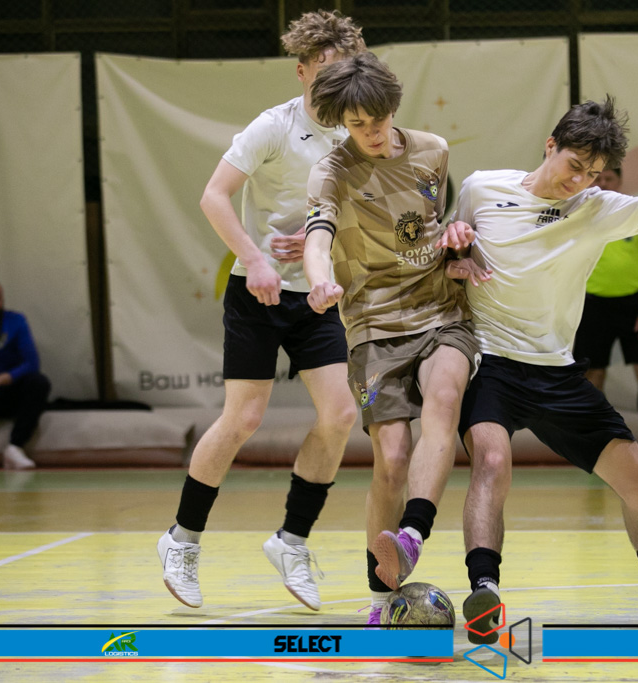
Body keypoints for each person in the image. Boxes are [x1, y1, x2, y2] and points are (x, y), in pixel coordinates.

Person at [447, 97, 638, 642]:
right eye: (574, 165)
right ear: (550, 146)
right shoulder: (481, 187)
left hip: (557, 372)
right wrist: (456, 256)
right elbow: (452, 244)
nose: (579, 180)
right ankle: (483, 591)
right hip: (489, 361)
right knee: (491, 462)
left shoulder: (595, 207)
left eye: (592, 173)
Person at [156, 10, 366, 612]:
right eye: (323, 71)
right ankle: (182, 538)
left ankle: (291, 541)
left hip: (318, 293)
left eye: (343, 71)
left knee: (340, 414)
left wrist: (325, 241)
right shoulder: (273, 127)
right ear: (302, 72)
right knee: (244, 417)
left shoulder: (357, 134)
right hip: (259, 291)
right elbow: (213, 196)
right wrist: (256, 258)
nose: (333, 82)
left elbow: (360, 215)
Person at [303, 52, 479, 625]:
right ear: (341, 122)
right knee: (392, 459)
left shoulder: (433, 150)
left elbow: (434, 222)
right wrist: (319, 279)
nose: (371, 133)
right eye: (357, 125)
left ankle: (412, 536)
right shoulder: (332, 171)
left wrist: (456, 245)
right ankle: (381, 598)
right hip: (374, 326)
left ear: (393, 109)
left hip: (441, 312)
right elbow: (317, 238)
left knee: (445, 400)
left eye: (377, 121)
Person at [573, 167, 638, 468]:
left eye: (609, 178)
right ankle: (594, 449)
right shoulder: (580, 215)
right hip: (592, 306)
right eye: (598, 179)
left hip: (634, 308)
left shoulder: (636, 215)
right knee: (593, 379)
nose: (603, 183)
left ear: (619, 181)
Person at [0, 279, 50, 470]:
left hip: (5, 393)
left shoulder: (16, 321)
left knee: (38, 382)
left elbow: (32, 363)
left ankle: (15, 448)